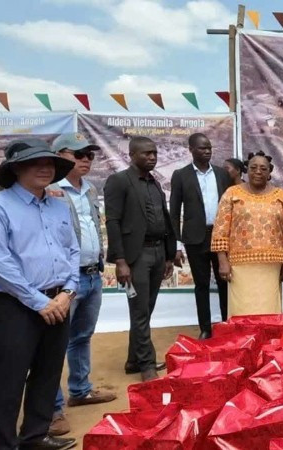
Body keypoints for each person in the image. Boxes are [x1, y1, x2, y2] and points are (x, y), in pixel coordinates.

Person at [0, 138, 78, 450]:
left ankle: (34, 436)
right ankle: (0, 445)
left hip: (58, 302)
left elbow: (72, 251)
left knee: (47, 375)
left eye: (50, 163)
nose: (45, 168)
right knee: (7, 381)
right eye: (35, 162)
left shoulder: (59, 207)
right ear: (16, 169)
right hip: (15, 307)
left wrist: (68, 292)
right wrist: (39, 301)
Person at [48, 133, 117, 436]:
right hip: (63, 279)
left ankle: (80, 390)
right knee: (52, 345)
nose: (85, 160)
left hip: (91, 273)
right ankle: (51, 409)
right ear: (59, 156)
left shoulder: (89, 189)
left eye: (89, 155)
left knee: (81, 336)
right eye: (77, 154)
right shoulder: (49, 190)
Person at [104, 136, 176, 382]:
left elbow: (164, 218)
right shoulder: (119, 181)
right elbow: (112, 221)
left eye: (154, 153)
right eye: (146, 153)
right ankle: (146, 364)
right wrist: (120, 261)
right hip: (136, 257)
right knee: (140, 310)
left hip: (158, 252)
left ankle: (133, 360)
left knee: (145, 309)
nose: (152, 157)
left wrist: (169, 255)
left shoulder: (154, 182)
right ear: (132, 155)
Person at [212, 151, 283, 314]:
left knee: (268, 309)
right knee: (242, 310)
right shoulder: (232, 193)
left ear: (269, 173)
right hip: (239, 266)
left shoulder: (281, 196)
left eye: (263, 169)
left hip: (271, 266)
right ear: (246, 170)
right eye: (253, 167)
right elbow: (220, 229)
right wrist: (222, 260)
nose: (258, 172)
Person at [170, 133, 233, 340]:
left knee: (225, 282)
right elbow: (174, 211)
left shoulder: (222, 174)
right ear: (191, 149)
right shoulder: (181, 175)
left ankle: (227, 325)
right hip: (195, 238)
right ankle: (205, 328)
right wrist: (176, 245)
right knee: (202, 284)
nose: (207, 151)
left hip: (221, 236)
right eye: (202, 148)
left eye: (209, 148)